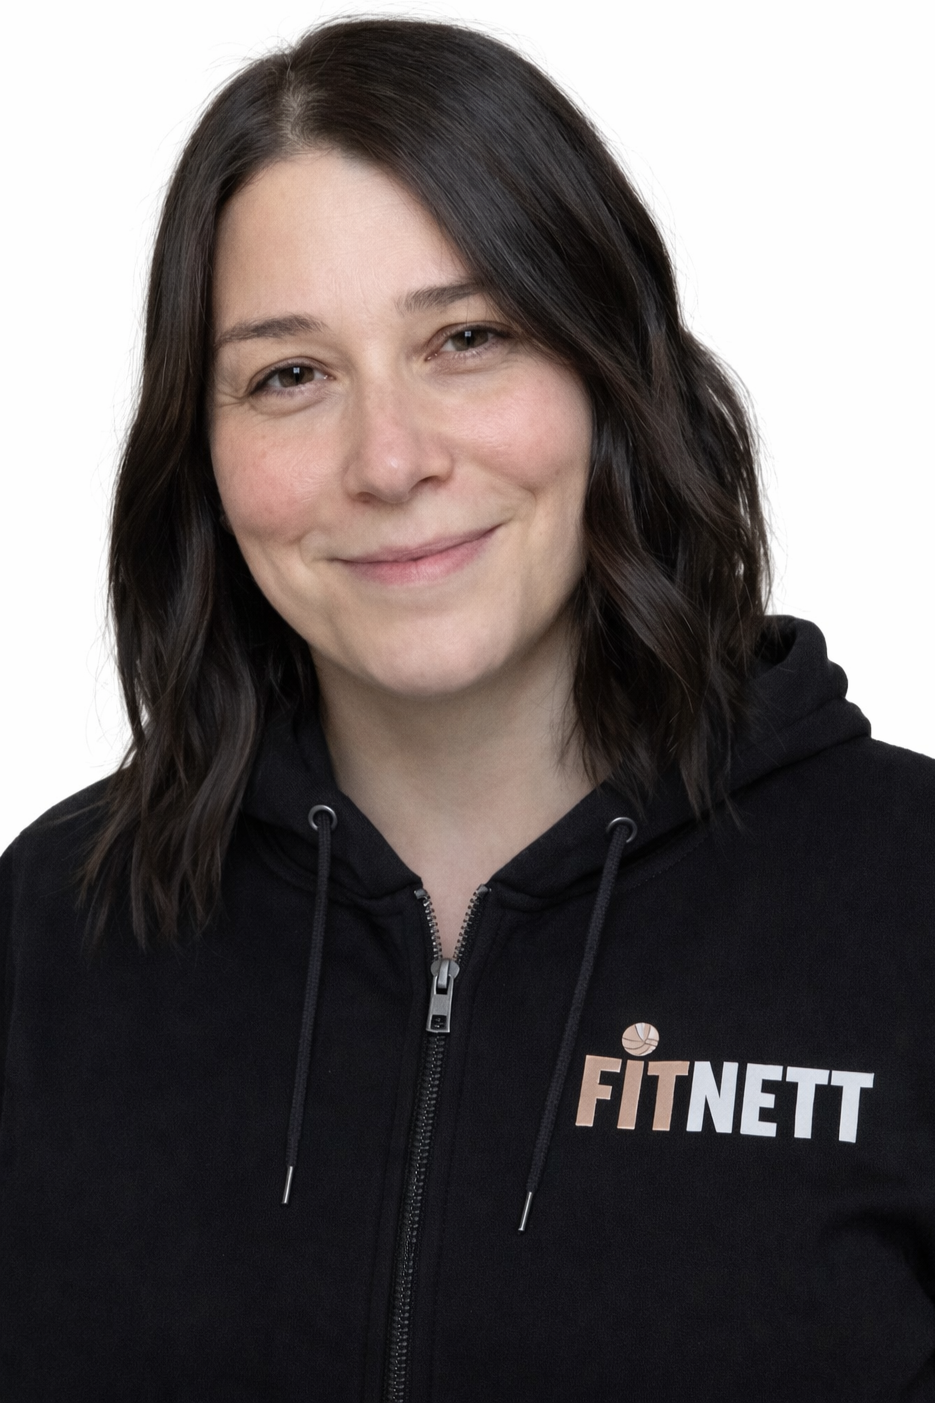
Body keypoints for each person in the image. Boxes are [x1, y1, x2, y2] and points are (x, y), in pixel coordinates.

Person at [1, 16, 934, 1400]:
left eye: (469, 337)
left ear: (611, 369)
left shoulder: (908, 899)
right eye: (289, 375)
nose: (389, 460)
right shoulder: (53, 930)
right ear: (201, 455)